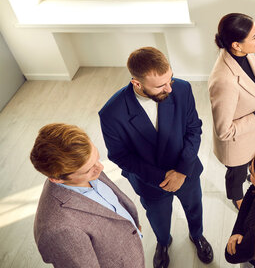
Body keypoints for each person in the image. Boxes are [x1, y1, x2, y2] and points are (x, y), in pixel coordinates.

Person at [99, 47, 213, 268]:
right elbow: (119, 155)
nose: (170, 88)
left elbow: (194, 129)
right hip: (149, 180)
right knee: (159, 219)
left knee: (194, 206)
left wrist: (181, 171)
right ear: (137, 83)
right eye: (161, 85)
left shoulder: (182, 88)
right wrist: (162, 177)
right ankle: (162, 243)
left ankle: (197, 235)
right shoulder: (111, 113)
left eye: (170, 78)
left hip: (186, 170)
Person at [30, 123, 145, 268]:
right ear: (57, 178)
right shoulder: (59, 231)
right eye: (88, 169)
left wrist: (132, 225)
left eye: (97, 157)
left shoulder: (86, 165)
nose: (100, 168)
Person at [208, 13, 255, 210]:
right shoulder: (223, 80)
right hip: (236, 143)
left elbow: (251, 84)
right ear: (236, 45)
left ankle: (252, 178)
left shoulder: (246, 53)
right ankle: (237, 198)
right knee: (236, 176)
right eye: (254, 36)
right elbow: (224, 132)